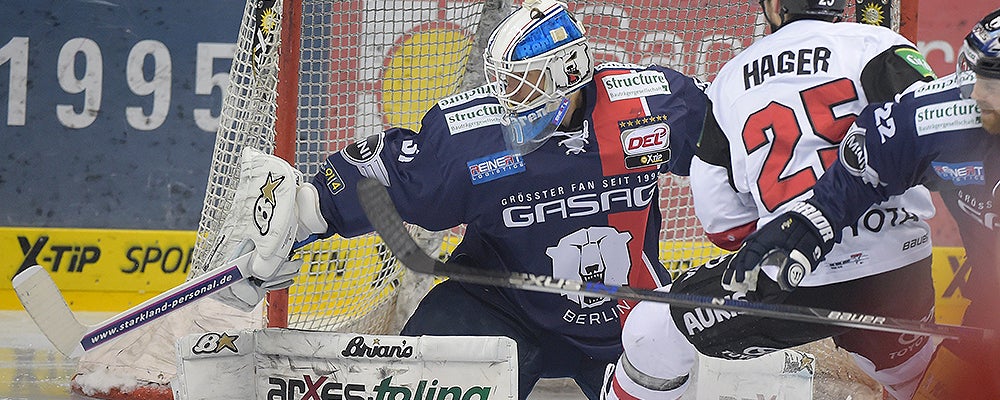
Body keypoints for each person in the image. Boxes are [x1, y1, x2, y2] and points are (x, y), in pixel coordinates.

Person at [211, 0, 710, 398]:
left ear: (568, 74)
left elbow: (737, 144)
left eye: (525, 84)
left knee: (672, 355)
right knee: (413, 377)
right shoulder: (478, 141)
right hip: (501, 303)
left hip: (628, 315)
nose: (510, 99)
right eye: (505, 85)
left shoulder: (653, 107)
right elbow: (391, 179)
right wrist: (305, 210)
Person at [602, 0, 939, 399]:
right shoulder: (882, 44)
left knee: (648, 331)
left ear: (775, 6)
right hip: (899, 270)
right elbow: (943, 141)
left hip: (792, 277)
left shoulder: (730, 78)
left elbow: (721, 224)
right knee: (915, 378)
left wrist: (776, 224)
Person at [722, 8, 1000, 399]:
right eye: (970, 75)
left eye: (988, 82)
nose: (973, 93)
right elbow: (863, 170)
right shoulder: (944, 115)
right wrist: (806, 226)